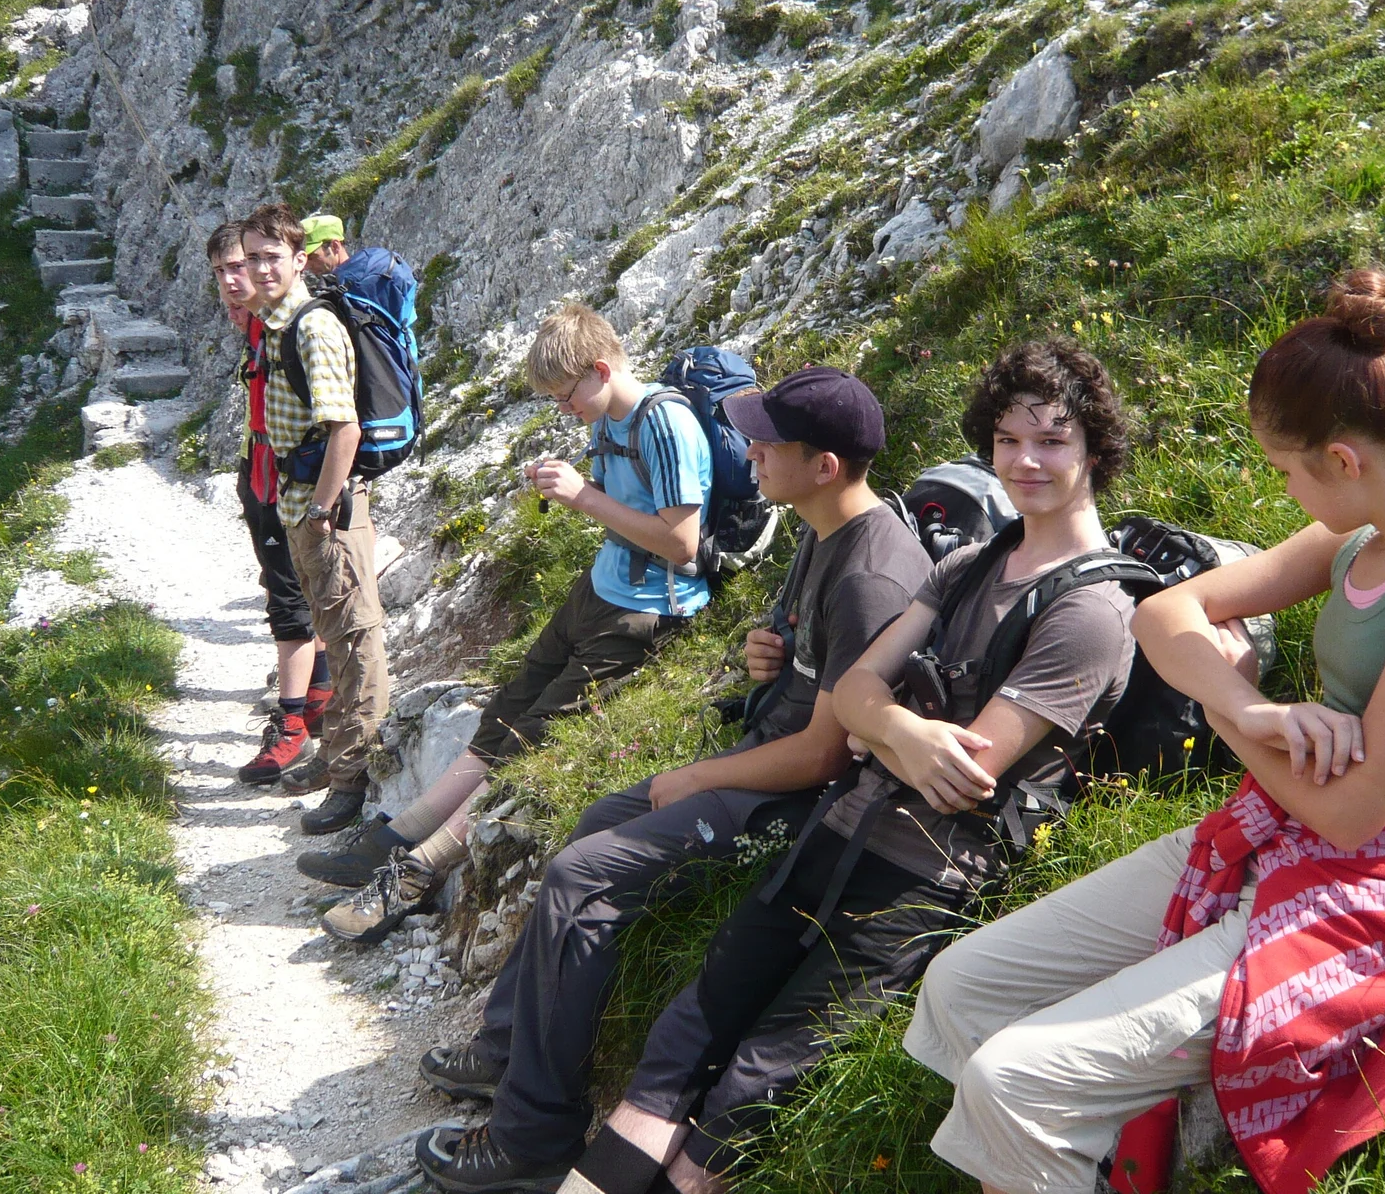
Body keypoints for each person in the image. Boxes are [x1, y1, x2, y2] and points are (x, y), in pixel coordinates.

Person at [906, 270, 1385, 1194]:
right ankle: (1095, 1161)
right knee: (962, 987)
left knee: (1016, 1079)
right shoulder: (1360, 539)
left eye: (1287, 470)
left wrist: (1223, 709)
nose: (1284, 491)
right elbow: (1163, 614)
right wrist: (1251, 706)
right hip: (1276, 823)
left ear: (1342, 458)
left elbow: (1354, 814)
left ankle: (1069, 1145)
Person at [554, 339, 1145, 1194]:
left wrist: (882, 725)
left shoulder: (1091, 613)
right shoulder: (966, 563)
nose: (1025, 461)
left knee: (752, 1080)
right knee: (689, 1028)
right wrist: (899, 728)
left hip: (923, 874)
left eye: (1052, 441)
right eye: (1009, 440)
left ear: (1095, 450)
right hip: (839, 830)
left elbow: (972, 768)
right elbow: (863, 688)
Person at [411, 368, 936, 1194]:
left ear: (824, 465)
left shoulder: (872, 573)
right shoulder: (821, 527)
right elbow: (807, 666)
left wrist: (694, 775)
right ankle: (507, 1046)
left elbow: (825, 757)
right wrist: (771, 658)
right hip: (764, 768)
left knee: (582, 878)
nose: (749, 451)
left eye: (766, 440)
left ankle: (533, 1135)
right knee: (590, 827)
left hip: (795, 802)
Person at [311, 302, 713, 937]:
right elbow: (620, 513)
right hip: (601, 588)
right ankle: (395, 836)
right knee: (506, 713)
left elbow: (684, 545)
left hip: (648, 611)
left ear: (600, 369)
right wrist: (575, 493)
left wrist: (585, 496)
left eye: (564, 395)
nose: (563, 409)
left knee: (533, 739)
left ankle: (415, 875)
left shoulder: (666, 426)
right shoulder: (609, 418)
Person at [240, 203, 392, 835]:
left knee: (356, 639)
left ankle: (352, 779)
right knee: (334, 627)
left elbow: (345, 429)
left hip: (325, 509)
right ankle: (334, 757)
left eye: (271, 256)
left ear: (299, 259)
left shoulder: (311, 329)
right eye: (252, 258)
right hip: (302, 504)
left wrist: (325, 511)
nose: (259, 268)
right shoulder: (276, 324)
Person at [206, 219, 335, 785]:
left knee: (287, 595)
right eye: (223, 271)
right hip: (259, 470)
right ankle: (320, 686)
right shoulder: (260, 325)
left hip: (284, 477)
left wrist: (322, 501)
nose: (236, 280)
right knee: (290, 585)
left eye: (245, 265)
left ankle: (291, 726)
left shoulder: (294, 325)